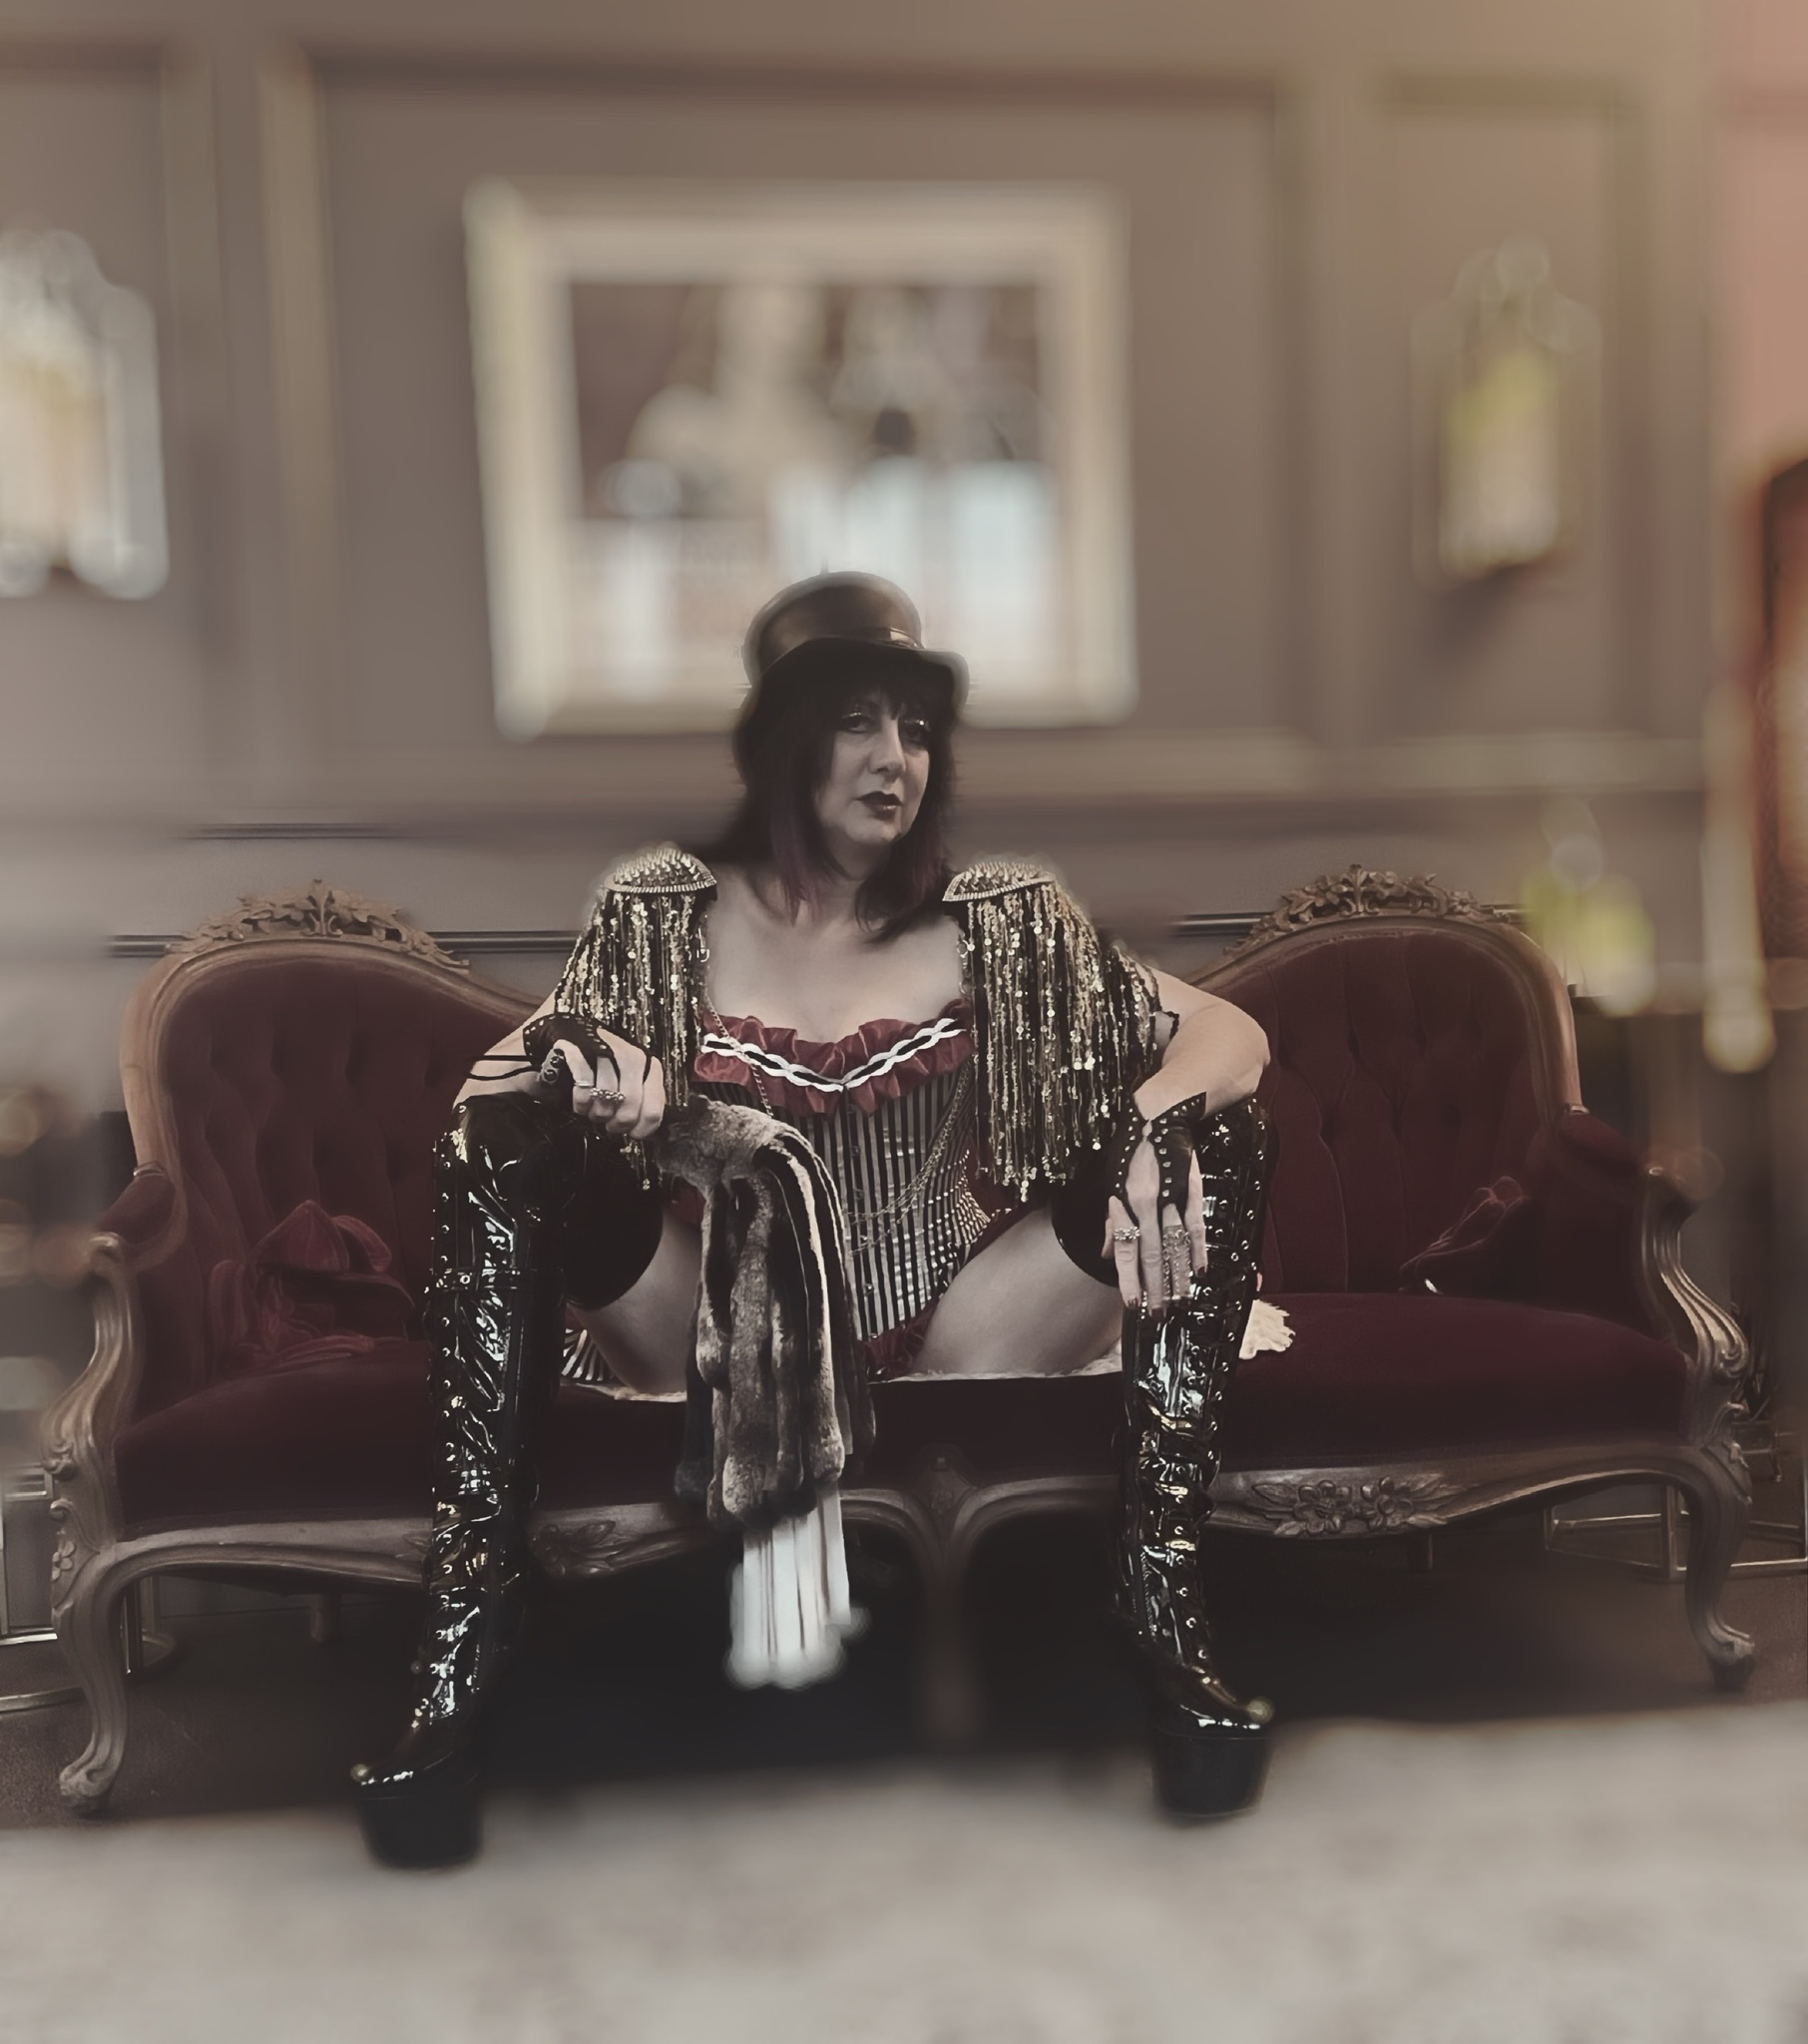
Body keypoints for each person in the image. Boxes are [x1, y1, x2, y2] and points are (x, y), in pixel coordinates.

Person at [350, 573, 1279, 1867]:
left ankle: (1159, 1598)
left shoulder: (997, 921)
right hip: (724, 1333)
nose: (896, 758)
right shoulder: (662, 919)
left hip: (961, 1319)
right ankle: (464, 1640)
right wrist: (596, 1081)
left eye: (915, 728)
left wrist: (1152, 1123)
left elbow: (1232, 1033)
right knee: (505, 1139)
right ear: (783, 744)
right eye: (856, 721)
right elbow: (482, 1096)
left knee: (1216, 1130)